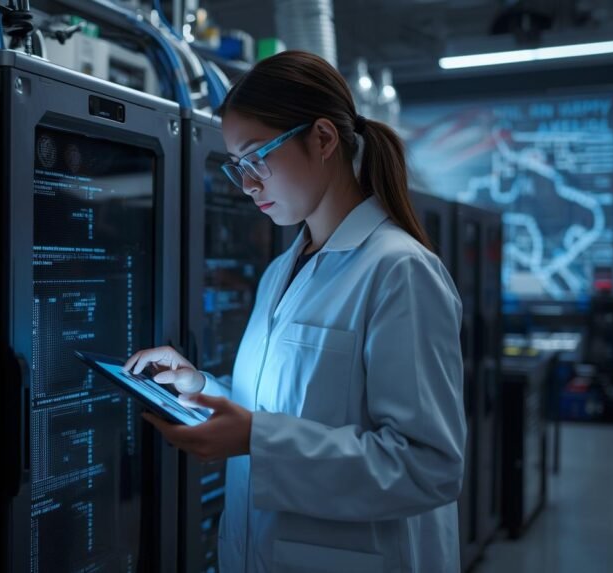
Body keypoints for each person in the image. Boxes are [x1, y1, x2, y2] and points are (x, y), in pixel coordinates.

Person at [124, 51, 466, 572]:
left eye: (257, 156)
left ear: (324, 139)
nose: (249, 184)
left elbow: (428, 467)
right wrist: (201, 390)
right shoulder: (282, 270)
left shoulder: (399, 271)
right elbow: (283, 410)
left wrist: (255, 438)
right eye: (237, 167)